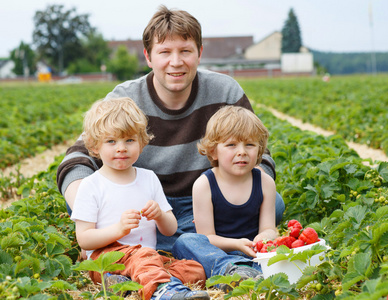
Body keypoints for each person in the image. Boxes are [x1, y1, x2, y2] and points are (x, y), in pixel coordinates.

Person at [56, 4, 284, 253]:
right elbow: (77, 158)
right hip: (145, 207)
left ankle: (174, 244)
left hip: (207, 202)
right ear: (148, 56)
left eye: (185, 51)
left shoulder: (225, 91)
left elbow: (260, 156)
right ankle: (192, 244)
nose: (176, 62)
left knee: (276, 204)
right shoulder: (124, 98)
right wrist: (91, 206)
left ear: (199, 53)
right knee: (83, 203)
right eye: (164, 52)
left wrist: (239, 198)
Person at [70, 97, 209, 300]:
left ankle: (128, 283)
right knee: (144, 258)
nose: (121, 148)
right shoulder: (91, 185)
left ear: (142, 143)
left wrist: (160, 215)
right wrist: (119, 230)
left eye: (129, 140)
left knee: (194, 269)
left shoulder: (148, 178)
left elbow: (170, 229)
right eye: (111, 141)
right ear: (94, 146)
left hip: (147, 257)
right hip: (107, 258)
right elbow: (84, 239)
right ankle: (166, 292)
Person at [173, 106, 278, 290]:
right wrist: (236, 244)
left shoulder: (265, 182)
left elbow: (269, 228)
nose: (242, 151)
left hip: (252, 252)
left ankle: (245, 270)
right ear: (213, 151)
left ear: (259, 150)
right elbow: (207, 237)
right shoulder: (204, 184)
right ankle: (231, 270)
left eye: (250, 145)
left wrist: (262, 239)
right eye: (231, 145)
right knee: (185, 242)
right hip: (217, 251)